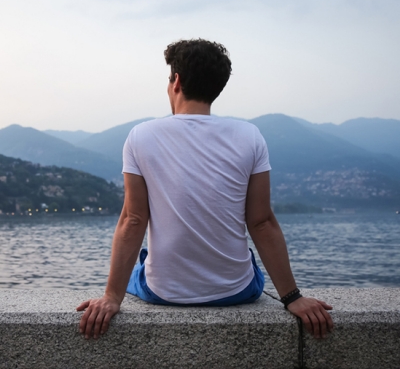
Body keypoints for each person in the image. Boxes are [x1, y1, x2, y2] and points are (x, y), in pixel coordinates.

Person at [77, 38, 333, 340]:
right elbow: (261, 222)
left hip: (164, 293)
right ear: (217, 87)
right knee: (246, 260)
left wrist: (110, 297)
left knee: (146, 261)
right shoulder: (250, 136)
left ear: (176, 81)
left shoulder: (140, 137)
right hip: (236, 291)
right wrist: (292, 297)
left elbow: (133, 220)